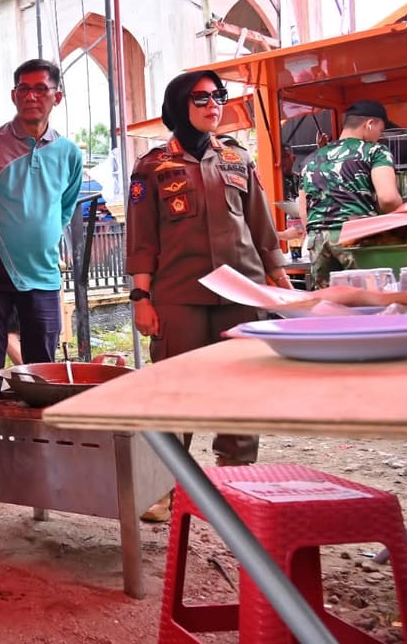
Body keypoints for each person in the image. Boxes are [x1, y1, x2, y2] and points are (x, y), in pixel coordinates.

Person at [126, 70, 290, 520]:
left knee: (241, 391)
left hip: (241, 292)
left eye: (218, 96)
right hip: (179, 295)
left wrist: (278, 279)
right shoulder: (153, 166)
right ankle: (167, 490)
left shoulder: (238, 160)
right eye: (200, 98)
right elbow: (143, 239)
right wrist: (141, 297)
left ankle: (236, 482)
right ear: (179, 105)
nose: (212, 104)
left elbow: (260, 226)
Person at [0, 58, 84, 401]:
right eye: (24, 89)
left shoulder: (70, 153)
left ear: (57, 97)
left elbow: (66, 204)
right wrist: (6, 239)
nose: (31, 96)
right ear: (14, 95)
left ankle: (40, 446)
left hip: (43, 274)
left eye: (41, 88)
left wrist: (40, 239)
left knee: (43, 369)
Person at [298, 100, 402, 288]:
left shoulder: (310, 159)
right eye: (380, 129)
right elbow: (389, 199)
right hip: (357, 236)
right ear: (369, 124)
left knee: (329, 304)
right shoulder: (375, 151)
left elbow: (304, 213)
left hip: (317, 240)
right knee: (371, 301)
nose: (380, 136)